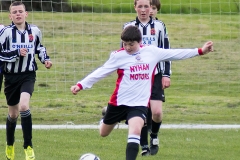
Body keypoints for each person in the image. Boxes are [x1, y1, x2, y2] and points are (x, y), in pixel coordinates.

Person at [71, 25, 214, 160]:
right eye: (125, 44)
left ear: (139, 41)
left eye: (131, 44)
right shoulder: (118, 56)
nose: (127, 47)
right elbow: (101, 72)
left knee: (135, 132)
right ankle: (105, 116)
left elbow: (175, 53)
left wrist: (200, 51)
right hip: (119, 102)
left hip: (139, 104)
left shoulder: (151, 52)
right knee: (103, 133)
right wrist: (81, 84)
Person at [0, 1, 52, 160]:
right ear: (10, 16)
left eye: (20, 11)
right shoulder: (6, 32)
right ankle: (10, 144)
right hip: (11, 77)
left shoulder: (35, 31)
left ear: (26, 13)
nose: (17, 14)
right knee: (13, 114)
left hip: (28, 75)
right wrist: (15, 53)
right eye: (14, 12)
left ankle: (28, 146)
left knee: (24, 106)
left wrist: (45, 59)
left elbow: (39, 48)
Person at [123, 0, 170, 155]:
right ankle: (143, 145)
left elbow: (166, 51)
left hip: (155, 74)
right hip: (137, 76)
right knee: (140, 111)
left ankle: (154, 136)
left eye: (146, 7)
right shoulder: (129, 27)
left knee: (156, 112)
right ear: (135, 7)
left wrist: (166, 74)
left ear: (151, 8)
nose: (143, 10)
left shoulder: (159, 26)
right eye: (140, 6)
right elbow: (123, 53)